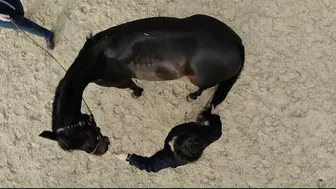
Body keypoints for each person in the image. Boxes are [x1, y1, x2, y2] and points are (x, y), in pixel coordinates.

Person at [116, 106, 223, 173]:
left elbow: (149, 166)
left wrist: (128, 158)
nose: (169, 141)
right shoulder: (204, 137)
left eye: (173, 145)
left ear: (176, 153)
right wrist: (215, 117)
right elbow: (217, 132)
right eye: (176, 138)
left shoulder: (167, 158)